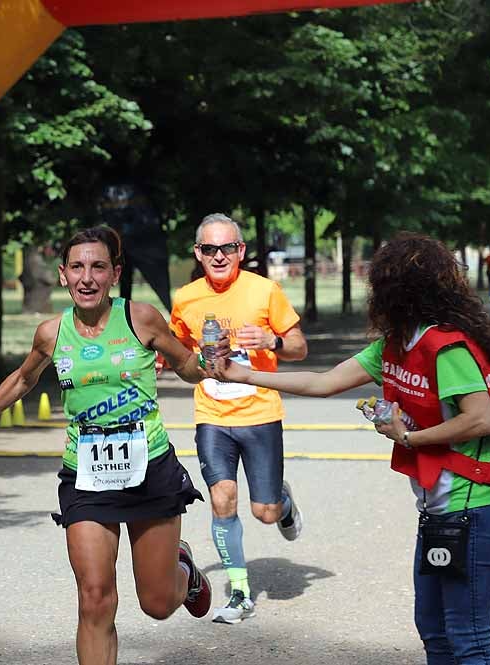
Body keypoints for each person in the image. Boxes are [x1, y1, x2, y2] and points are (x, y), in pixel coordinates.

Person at [213, 232, 490, 663]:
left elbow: (482, 417)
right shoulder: (396, 345)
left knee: (467, 638)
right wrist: (241, 374)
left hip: (473, 509)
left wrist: (409, 437)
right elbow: (323, 382)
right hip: (440, 510)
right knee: (435, 631)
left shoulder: (443, 346)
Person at [0, 225, 212, 665]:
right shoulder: (52, 332)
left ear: (114, 274)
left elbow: (185, 365)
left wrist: (213, 366)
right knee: (94, 597)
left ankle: (184, 571)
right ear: (63, 274)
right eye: (77, 267)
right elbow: (23, 379)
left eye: (98, 267)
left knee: (158, 604)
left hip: (150, 468)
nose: (87, 277)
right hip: (86, 473)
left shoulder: (140, 318)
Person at [168, 213, 308, 624]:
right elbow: (178, 350)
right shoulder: (186, 298)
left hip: (261, 413)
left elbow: (299, 347)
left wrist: (272, 340)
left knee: (263, 511)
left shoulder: (265, 291)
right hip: (212, 415)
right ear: (198, 253)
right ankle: (240, 592)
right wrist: (167, 359)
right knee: (221, 499)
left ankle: (280, 500)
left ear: (241, 251)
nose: (218, 256)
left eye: (227, 248)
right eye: (209, 249)